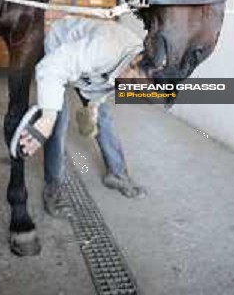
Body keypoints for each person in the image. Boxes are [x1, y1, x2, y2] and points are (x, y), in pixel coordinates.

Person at [10, 17, 147, 214]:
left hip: (91, 69)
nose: (131, 90)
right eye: (133, 85)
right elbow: (51, 68)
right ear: (135, 62)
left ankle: (117, 175)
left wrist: (93, 107)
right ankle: (53, 187)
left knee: (103, 119)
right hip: (59, 50)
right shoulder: (106, 47)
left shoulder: (141, 67)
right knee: (57, 123)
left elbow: (110, 84)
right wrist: (48, 117)